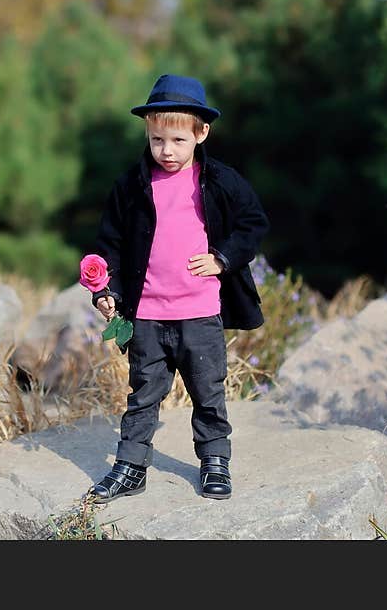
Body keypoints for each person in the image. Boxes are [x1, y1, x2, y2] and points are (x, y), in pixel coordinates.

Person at [86, 74, 270, 502]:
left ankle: (214, 462)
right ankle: (131, 467)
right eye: (156, 140)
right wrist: (104, 288)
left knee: (208, 392)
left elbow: (253, 223)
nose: (166, 151)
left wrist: (222, 257)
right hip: (147, 313)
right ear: (147, 135)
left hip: (200, 313)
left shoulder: (220, 180)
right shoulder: (132, 185)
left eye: (177, 141)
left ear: (201, 133)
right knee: (143, 393)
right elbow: (109, 243)